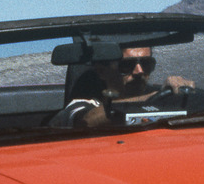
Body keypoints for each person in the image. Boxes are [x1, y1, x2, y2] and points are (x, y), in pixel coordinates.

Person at [52, 46, 194, 127]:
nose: (139, 71)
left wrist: (185, 93)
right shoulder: (81, 105)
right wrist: (155, 99)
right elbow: (87, 120)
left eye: (146, 64)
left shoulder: (162, 95)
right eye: (127, 65)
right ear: (102, 71)